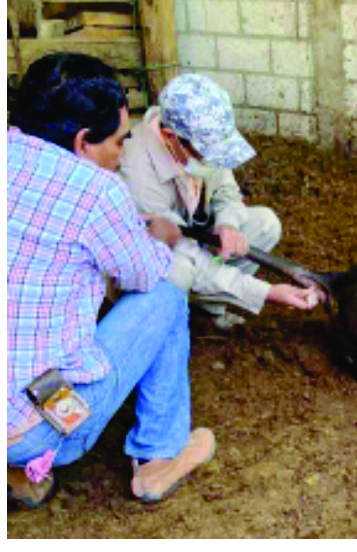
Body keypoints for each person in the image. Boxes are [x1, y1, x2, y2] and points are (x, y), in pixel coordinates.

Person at [7, 52, 214, 508]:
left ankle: (16, 472)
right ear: (84, 142)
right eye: (120, 142)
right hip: (34, 420)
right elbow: (146, 274)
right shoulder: (99, 191)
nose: (123, 153)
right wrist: (157, 237)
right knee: (167, 296)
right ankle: (159, 454)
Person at [118, 73, 318, 330]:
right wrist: (265, 292)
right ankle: (162, 325)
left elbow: (227, 193)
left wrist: (228, 224)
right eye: (207, 152)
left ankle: (208, 309)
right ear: (170, 136)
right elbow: (185, 254)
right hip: (162, 254)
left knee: (264, 223)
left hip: (193, 237)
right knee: (179, 270)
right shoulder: (135, 168)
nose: (213, 160)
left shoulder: (198, 141)